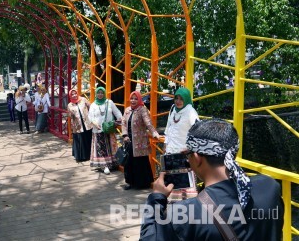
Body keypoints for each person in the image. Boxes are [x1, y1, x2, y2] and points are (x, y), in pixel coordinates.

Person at [139, 119, 284, 241]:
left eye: (188, 154)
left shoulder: (183, 214)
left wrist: (155, 199)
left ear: (196, 158)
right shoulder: (269, 187)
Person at [164, 87, 199, 201]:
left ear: (186, 99)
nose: (178, 101)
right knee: (172, 178)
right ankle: (173, 201)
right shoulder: (173, 108)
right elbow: (168, 127)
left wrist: (190, 148)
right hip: (171, 149)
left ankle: (188, 203)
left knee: (185, 180)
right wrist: (166, 143)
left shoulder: (190, 111)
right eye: (176, 98)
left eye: (181, 99)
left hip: (184, 152)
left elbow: (197, 130)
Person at [121, 91, 160, 190]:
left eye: (135, 98)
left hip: (140, 141)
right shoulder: (127, 110)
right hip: (128, 140)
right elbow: (123, 123)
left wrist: (154, 132)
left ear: (139, 100)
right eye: (132, 98)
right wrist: (124, 135)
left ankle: (142, 184)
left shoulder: (142, 109)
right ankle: (129, 182)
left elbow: (148, 122)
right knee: (129, 162)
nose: (133, 101)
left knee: (140, 162)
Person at [88, 87, 122, 174]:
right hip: (98, 129)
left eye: (101, 92)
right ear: (96, 94)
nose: (100, 94)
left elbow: (117, 112)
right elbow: (90, 117)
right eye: (98, 93)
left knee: (111, 147)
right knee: (101, 148)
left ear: (104, 93)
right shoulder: (93, 105)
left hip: (109, 128)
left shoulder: (109, 102)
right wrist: (95, 123)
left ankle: (113, 163)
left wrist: (121, 120)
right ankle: (104, 166)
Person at [67, 89, 93, 162]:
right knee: (80, 140)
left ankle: (90, 155)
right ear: (70, 96)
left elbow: (90, 107)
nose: (74, 95)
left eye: (75, 93)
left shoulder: (83, 100)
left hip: (87, 123)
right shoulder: (69, 105)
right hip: (77, 125)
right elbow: (69, 116)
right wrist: (71, 113)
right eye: (72, 94)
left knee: (88, 138)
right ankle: (81, 157)